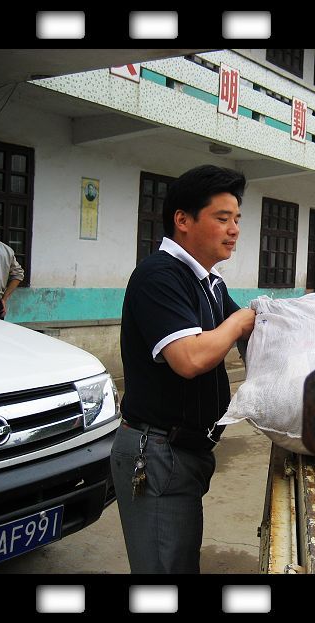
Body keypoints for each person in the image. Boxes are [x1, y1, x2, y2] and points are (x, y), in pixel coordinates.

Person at [111, 165, 256, 574]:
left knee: (179, 561)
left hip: (187, 451)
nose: (234, 230)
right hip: (157, 451)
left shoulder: (209, 281)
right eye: (222, 218)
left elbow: (250, 332)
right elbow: (189, 358)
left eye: (237, 219)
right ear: (183, 220)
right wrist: (238, 322)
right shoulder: (159, 276)